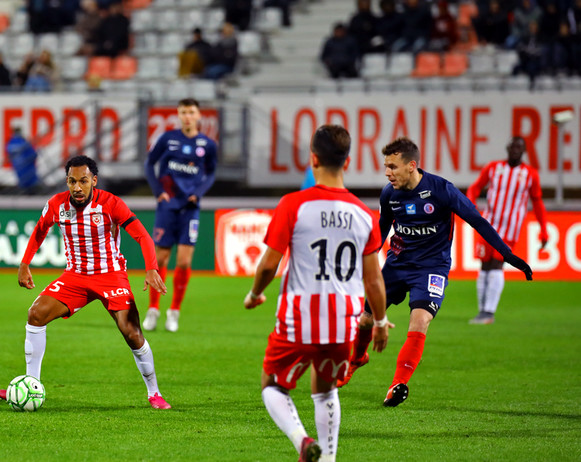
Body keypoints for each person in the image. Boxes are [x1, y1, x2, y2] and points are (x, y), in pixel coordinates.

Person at [338, 137, 533, 407]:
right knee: (365, 321)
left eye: (392, 166)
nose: (387, 173)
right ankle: (358, 358)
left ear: (411, 166)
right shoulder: (389, 194)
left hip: (431, 269)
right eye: (385, 166)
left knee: (419, 322)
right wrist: (363, 263)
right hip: (396, 265)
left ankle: (398, 384)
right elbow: (381, 233)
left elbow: (477, 220)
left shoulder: (442, 190)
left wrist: (508, 254)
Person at [244, 124, 390, 462]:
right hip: (343, 323)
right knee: (325, 391)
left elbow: (269, 264)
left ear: (313, 158)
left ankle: (301, 440)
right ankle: (328, 459)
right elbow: (374, 279)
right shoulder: (364, 215)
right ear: (347, 161)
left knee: (272, 383)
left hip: (299, 319)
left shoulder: (294, 204)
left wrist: (254, 294)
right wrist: (380, 320)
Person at [0, 155, 172, 409]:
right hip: (75, 277)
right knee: (36, 314)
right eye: (72, 181)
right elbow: (40, 229)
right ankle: (31, 384)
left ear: (94, 181)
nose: (77, 187)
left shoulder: (111, 203)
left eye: (83, 181)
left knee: (132, 333)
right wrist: (24, 264)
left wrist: (151, 268)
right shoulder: (57, 204)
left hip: (111, 275)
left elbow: (143, 236)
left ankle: (154, 393)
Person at [142, 99, 218, 333]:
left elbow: (212, 172)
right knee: (161, 259)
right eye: (183, 112)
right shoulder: (167, 139)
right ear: (178, 115)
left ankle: (174, 312)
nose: (187, 116)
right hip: (167, 206)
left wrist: (199, 193)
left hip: (190, 208)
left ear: (198, 116)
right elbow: (149, 164)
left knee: (184, 262)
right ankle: (153, 309)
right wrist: (158, 192)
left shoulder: (208, 144)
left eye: (191, 112)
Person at [466, 137, 548, 324]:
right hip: (487, 224)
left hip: (510, 228)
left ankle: (489, 312)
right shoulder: (493, 168)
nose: (515, 150)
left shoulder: (530, 174)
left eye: (519, 147)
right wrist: (470, 206)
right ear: (508, 148)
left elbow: (537, 202)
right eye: (513, 146)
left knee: (497, 264)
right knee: (484, 265)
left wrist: (543, 229)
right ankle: (482, 311)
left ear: (524, 150)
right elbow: (475, 187)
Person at [5, 127, 39, 192]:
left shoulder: (11, 143)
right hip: (28, 169)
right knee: (31, 189)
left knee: (24, 187)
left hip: (20, 169)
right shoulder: (23, 141)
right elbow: (33, 154)